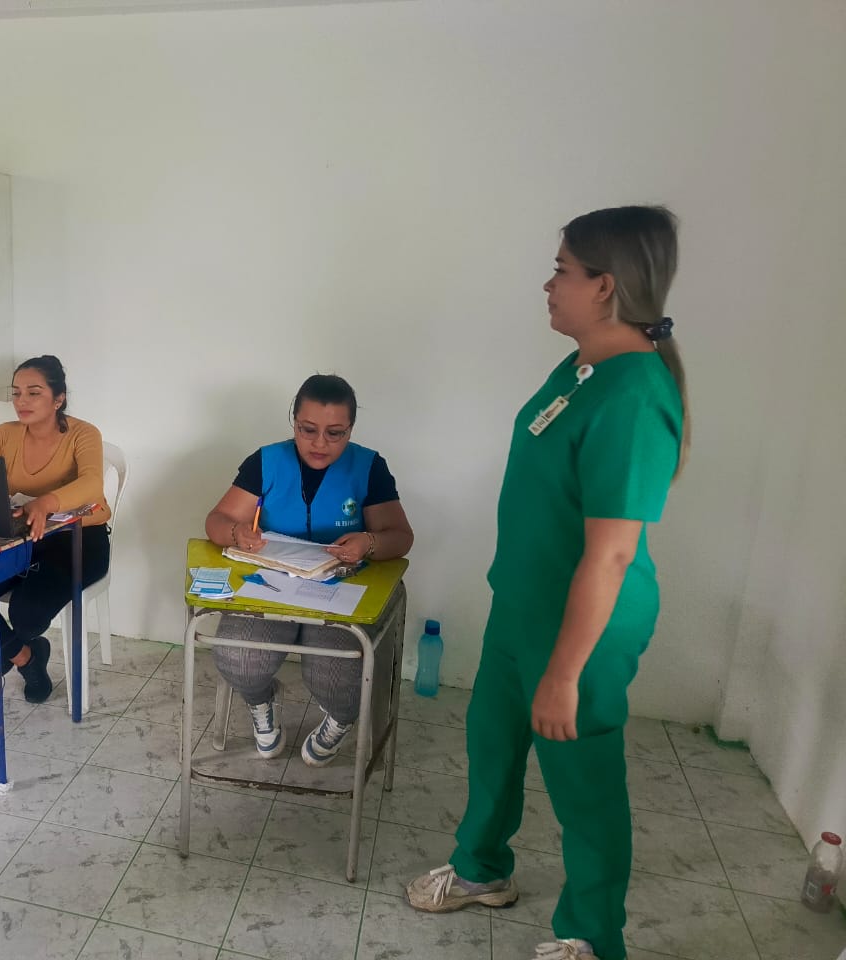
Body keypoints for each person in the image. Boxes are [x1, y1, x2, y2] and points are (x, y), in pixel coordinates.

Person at [405, 206, 688, 960]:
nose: (548, 284)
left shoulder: (634, 396)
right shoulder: (582, 367)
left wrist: (564, 675)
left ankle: (591, 936)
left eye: (562, 270)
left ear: (605, 286)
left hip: (585, 627)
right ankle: (481, 870)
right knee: (493, 742)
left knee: (583, 785)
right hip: (523, 605)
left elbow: (612, 557)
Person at [204, 374, 414, 767]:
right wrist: (237, 533)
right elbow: (217, 521)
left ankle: (340, 719)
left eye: (335, 433)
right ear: (294, 421)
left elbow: (400, 537)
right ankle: (262, 702)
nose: (320, 443)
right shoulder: (266, 461)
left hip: (339, 589)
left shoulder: (368, 467)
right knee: (239, 657)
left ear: (351, 429)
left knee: (339, 678)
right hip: (271, 585)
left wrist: (368, 542)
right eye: (307, 429)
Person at [0, 355, 111, 704]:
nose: (22, 401)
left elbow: (92, 484)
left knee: (27, 614)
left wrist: (46, 503)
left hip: (78, 542)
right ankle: (26, 657)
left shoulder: (84, 433)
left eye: (34, 393)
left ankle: (10, 647)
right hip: (20, 540)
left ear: (58, 398)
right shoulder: (5, 434)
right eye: (16, 393)